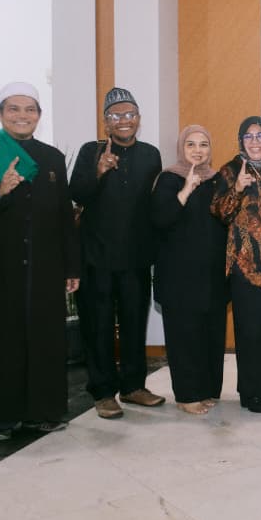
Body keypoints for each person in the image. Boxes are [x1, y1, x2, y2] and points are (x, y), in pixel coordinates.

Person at [0, 82, 80, 439]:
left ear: (39, 115)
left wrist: (71, 266)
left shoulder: (52, 158)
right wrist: (0, 192)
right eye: (13, 109)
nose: (22, 116)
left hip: (44, 266)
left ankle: (41, 412)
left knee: (43, 340)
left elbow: (64, 215)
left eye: (30, 109)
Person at [69, 87, 164, 419]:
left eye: (130, 114)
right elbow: (77, 194)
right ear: (106, 122)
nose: (124, 120)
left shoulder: (151, 154)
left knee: (135, 324)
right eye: (116, 115)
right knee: (98, 328)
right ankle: (103, 392)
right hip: (96, 258)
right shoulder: (90, 151)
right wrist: (99, 171)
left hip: (135, 258)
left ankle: (134, 387)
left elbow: (154, 204)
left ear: (138, 118)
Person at [210, 117, 261, 413]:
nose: (255, 142)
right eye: (249, 136)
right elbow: (219, 212)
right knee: (251, 329)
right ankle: (253, 391)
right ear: (241, 141)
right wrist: (238, 189)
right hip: (246, 264)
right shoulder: (231, 170)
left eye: (260, 136)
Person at [152, 125, 229, 415]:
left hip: (212, 274)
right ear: (181, 148)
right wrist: (185, 191)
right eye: (191, 144)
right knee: (184, 336)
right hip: (179, 276)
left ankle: (207, 389)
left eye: (204, 144)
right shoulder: (168, 178)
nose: (198, 150)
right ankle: (187, 394)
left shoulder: (217, 180)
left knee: (210, 334)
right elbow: (159, 220)